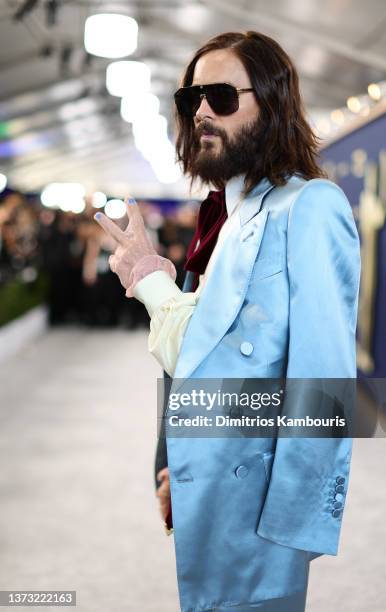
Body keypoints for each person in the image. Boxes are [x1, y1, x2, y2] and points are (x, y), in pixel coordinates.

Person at [95, 31, 361, 612]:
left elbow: (322, 382)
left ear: (272, 102)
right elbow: (199, 365)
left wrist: (292, 527)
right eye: (191, 100)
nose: (201, 114)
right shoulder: (219, 213)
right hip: (205, 483)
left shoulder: (310, 206)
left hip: (258, 509)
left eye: (220, 96)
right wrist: (172, 460)